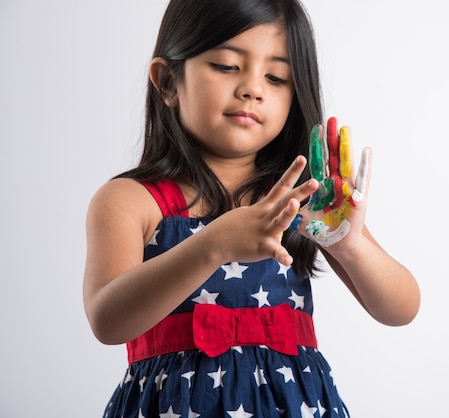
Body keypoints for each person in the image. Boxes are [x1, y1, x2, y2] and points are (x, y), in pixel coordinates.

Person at [83, 0, 420, 416]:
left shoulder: (304, 196)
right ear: (168, 81)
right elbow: (107, 321)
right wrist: (214, 245)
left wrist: (349, 245)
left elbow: (401, 309)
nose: (253, 88)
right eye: (226, 66)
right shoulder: (131, 200)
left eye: (276, 76)